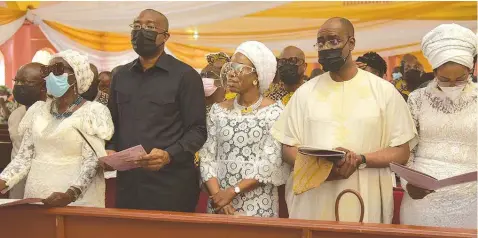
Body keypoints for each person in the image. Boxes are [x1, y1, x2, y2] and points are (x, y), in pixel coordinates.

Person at [271, 17, 417, 223]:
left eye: (333, 41)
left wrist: (360, 160)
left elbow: (401, 152)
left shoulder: (383, 91)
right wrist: (323, 168)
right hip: (313, 200)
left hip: (366, 196)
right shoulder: (305, 93)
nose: (325, 47)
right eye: (320, 43)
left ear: (352, 43)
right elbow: (288, 149)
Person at [107, 9, 207, 212]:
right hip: (129, 185)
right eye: (137, 26)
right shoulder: (120, 76)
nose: (141, 31)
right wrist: (110, 148)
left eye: (150, 27)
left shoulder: (185, 76)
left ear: (165, 37)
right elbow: (112, 124)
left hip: (171, 185)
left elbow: (198, 130)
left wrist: (169, 155)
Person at [0, 49, 114, 207]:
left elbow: (91, 162)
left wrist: (70, 194)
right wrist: (4, 180)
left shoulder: (93, 112)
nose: (51, 76)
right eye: (48, 71)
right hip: (37, 194)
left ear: (75, 76)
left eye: (58, 70)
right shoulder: (37, 110)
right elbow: (23, 158)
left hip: (76, 198)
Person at [199, 41, 290, 217]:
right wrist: (219, 196)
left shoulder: (275, 112)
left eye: (239, 67)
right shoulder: (218, 111)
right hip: (219, 206)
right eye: (231, 66)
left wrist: (232, 192)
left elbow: (270, 162)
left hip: (258, 206)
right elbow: (207, 156)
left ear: (257, 75)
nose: (231, 72)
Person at [400, 24, 477, 229]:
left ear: (471, 69)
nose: (452, 85)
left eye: (460, 79)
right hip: (423, 201)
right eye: (444, 79)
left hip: (473, 201)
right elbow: (407, 150)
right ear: (433, 71)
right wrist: (408, 183)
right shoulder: (417, 99)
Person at [7, 62, 48, 199]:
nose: (18, 86)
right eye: (16, 81)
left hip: (43, 184)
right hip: (15, 183)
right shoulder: (15, 115)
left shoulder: (53, 115)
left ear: (44, 86)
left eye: (24, 82)